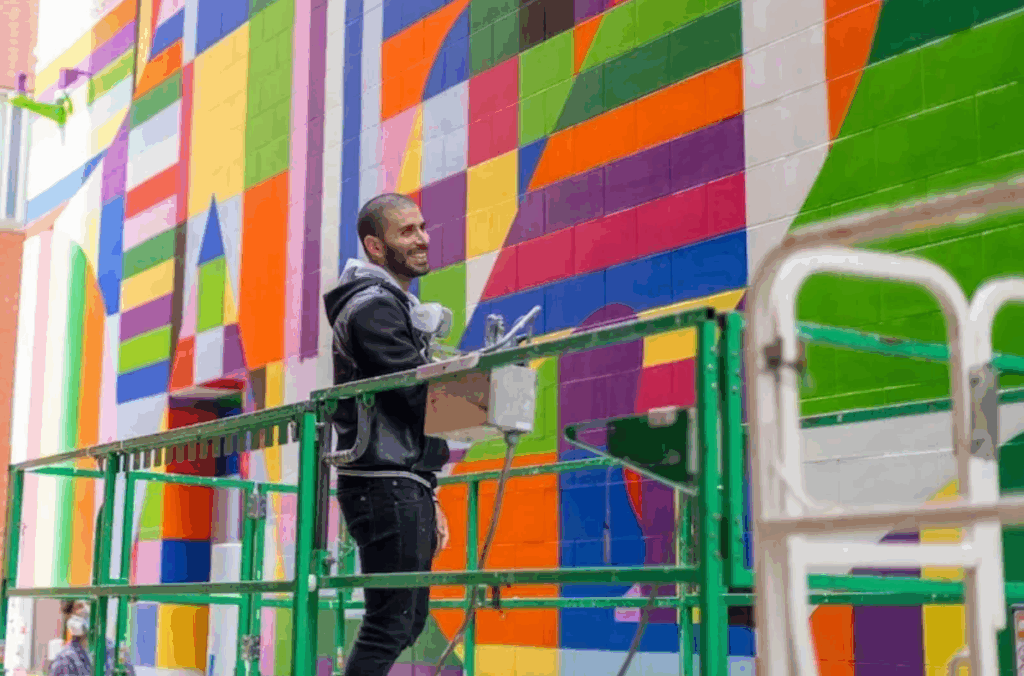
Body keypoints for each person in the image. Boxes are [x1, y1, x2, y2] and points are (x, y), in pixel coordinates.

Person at [323, 193, 452, 676]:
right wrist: (480, 389)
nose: (421, 239)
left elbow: (408, 406)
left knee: (407, 620)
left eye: (422, 227)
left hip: (399, 479)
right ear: (375, 247)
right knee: (390, 623)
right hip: (382, 481)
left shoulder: (389, 304)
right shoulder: (372, 309)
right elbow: (415, 398)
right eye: (407, 232)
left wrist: (429, 489)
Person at [49, 599, 135, 676]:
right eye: (80, 606)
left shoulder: (115, 651)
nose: (87, 610)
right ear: (69, 615)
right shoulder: (65, 660)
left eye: (89, 604)